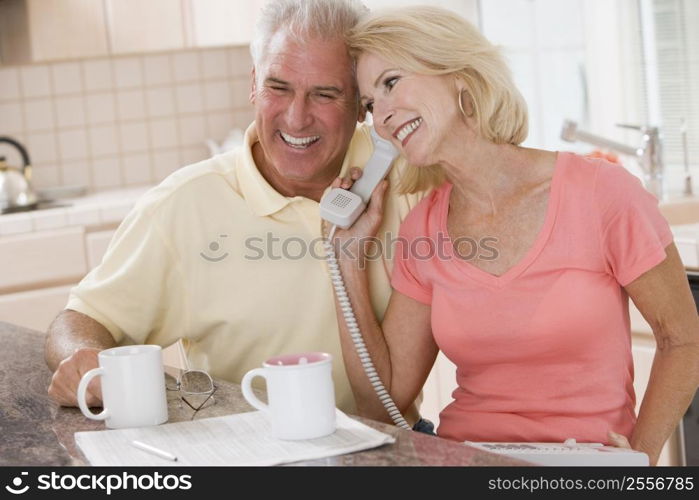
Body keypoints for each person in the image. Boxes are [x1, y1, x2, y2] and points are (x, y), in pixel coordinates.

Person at [329, 6, 699, 465]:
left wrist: (638, 458)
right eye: (369, 106)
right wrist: (346, 259)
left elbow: (682, 338)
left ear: (457, 73)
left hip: (585, 467)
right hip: (466, 461)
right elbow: (382, 400)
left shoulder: (603, 193)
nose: (380, 117)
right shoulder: (421, 229)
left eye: (390, 83)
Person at [45, 0, 425, 419]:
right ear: (253, 85)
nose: (297, 119)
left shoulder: (409, 172)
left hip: (391, 452)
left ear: (360, 105)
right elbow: (80, 319)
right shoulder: (183, 206)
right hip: (249, 459)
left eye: (325, 94)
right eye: (278, 88)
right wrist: (88, 360)